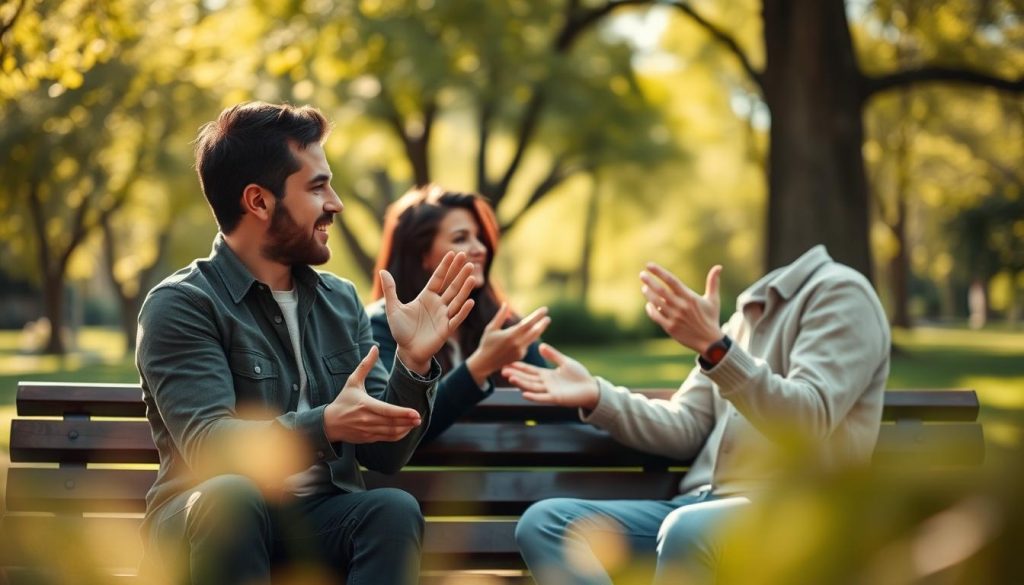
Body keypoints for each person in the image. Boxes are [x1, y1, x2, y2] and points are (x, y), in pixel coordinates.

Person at [135, 102, 478, 585]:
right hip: (205, 525)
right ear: (259, 202)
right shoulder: (183, 304)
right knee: (233, 496)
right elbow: (212, 448)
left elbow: (385, 456)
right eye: (317, 187)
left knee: (391, 509)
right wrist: (327, 425)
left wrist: (414, 362)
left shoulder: (340, 300)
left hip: (318, 520)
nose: (335, 203)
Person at [503, 245, 891, 584]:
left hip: (789, 513)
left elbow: (810, 417)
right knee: (547, 524)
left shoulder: (842, 293)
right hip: (696, 507)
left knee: (686, 529)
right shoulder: (744, 319)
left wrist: (716, 348)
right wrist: (597, 394)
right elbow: (686, 425)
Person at [367, 184, 551, 442]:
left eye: (479, 237)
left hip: (504, 479)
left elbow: (559, 408)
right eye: (461, 238)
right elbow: (396, 430)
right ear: (423, 255)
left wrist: (593, 396)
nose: (480, 248)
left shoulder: (502, 326)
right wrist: (479, 367)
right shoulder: (379, 326)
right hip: (414, 482)